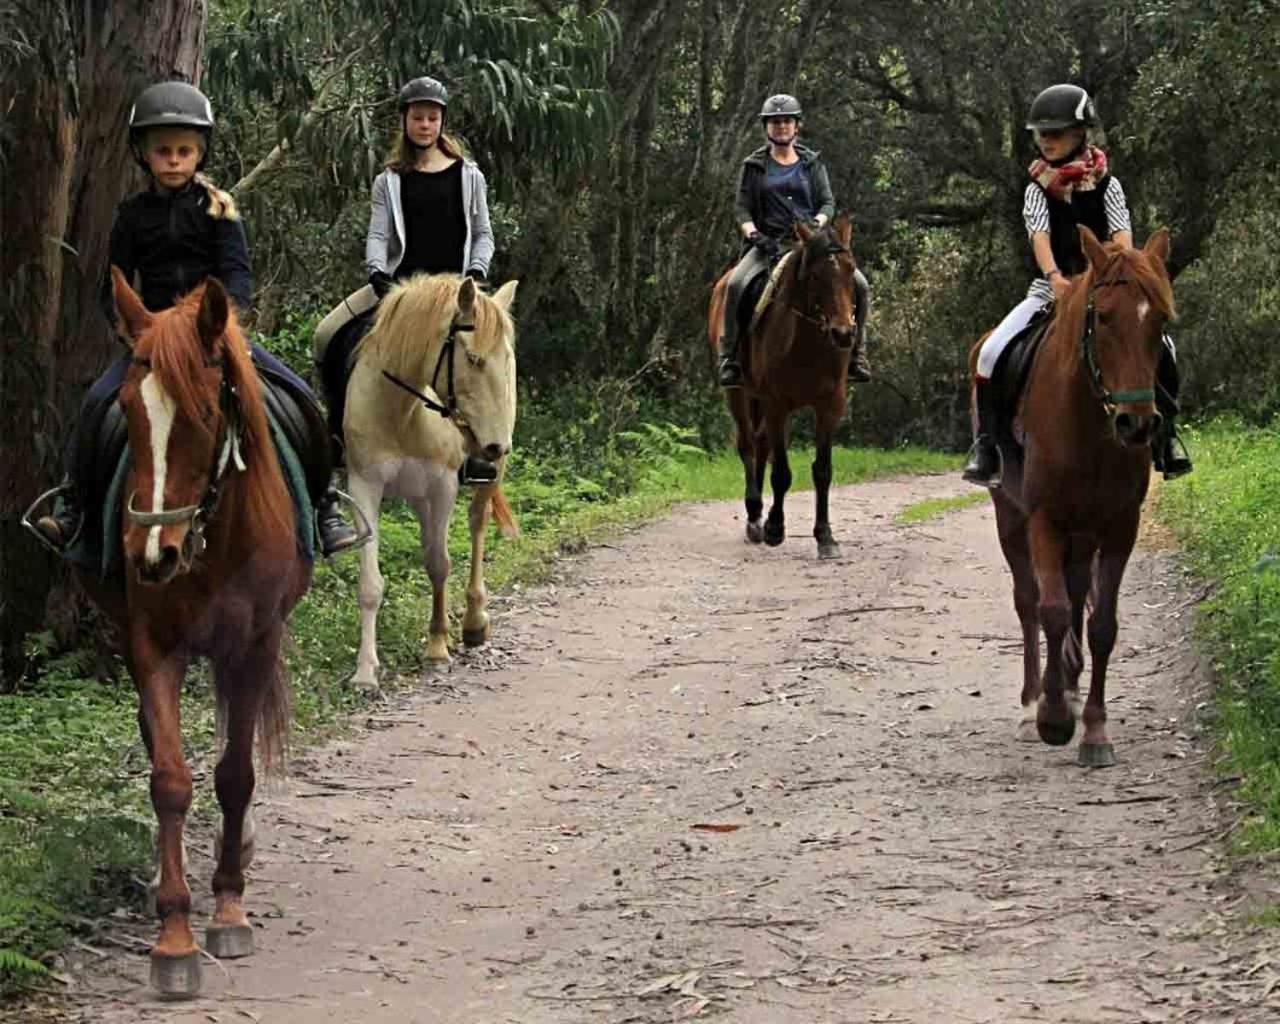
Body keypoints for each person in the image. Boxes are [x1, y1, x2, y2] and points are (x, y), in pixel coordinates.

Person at [33, 81, 363, 556]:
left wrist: (220, 323)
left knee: (299, 396)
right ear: (144, 154)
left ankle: (324, 506)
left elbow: (237, 276)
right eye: (163, 150)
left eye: (183, 150)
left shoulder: (220, 208)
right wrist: (130, 329)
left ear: (199, 154)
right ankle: (74, 510)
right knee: (96, 404)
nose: (173, 159)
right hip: (153, 338)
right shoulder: (130, 215)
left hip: (213, 336)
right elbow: (118, 283)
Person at [963, 83, 1191, 487]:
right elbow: (1039, 237)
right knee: (990, 354)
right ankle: (987, 448)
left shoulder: (1108, 185)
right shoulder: (1036, 187)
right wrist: (1055, 278)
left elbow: (1122, 238)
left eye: (1056, 132)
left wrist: (1110, 275)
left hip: (1107, 287)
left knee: (1166, 350)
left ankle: (1166, 440)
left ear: (1081, 133)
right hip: (1052, 289)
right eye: (1041, 134)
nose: (1046, 141)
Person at [317, 75, 498, 485]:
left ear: (442, 123)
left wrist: (476, 273)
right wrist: (378, 273)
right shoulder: (390, 180)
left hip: (456, 292)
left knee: (478, 359)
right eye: (418, 117)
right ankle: (338, 433)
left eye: (433, 118)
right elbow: (379, 235)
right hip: (400, 291)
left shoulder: (469, 176)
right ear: (405, 121)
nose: (426, 125)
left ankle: (476, 452)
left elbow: (483, 232)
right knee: (327, 334)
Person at [718, 93, 872, 389]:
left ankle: (858, 354)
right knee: (735, 285)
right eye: (775, 122)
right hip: (768, 243)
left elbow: (827, 203)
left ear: (797, 126)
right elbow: (742, 207)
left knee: (861, 285)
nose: (781, 127)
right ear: (767, 128)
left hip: (812, 244)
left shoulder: (812, 162)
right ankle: (730, 359)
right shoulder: (754, 165)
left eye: (787, 121)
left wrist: (817, 226)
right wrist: (754, 235)